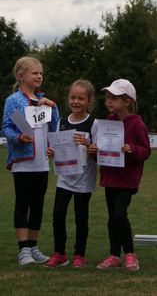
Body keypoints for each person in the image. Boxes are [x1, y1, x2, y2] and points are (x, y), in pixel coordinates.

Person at [2, 56, 59, 265]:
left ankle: (34, 247)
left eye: (41, 73)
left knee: (37, 205)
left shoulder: (44, 100)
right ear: (21, 76)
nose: (39, 76)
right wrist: (19, 137)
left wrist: (53, 106)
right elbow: (6, 127)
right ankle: (23, 250)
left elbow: (55, 125)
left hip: (42, 162)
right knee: (23, 203)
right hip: (23, 161)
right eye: (35, 73)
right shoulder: (13, 100)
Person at [94, 79, 151, 270]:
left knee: (119, 215)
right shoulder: (108, 121)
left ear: (127, 101)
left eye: (114, 98)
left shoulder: (137, 124)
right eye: (108, 97)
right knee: (112, 218)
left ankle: (130, 254)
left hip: (127, 180)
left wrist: (132, 149)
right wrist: (95, 150)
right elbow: (103, 147)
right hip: (110, 177)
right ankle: (113, 255)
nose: (108, 101)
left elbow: (146, 151)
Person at [45, 80, 98, 268]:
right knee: (58, 214)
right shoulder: (61, 123)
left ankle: (79, 254)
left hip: (84, 179)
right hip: (64, 178)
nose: (76, 101)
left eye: (81, 98)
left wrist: (88, 145)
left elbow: (98, 153)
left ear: (89, 101)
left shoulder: (93, 123)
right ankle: (59, 253)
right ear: (68, 99)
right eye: (73, 97)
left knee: (80, 217)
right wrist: (51, 151)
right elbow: (56, 147)